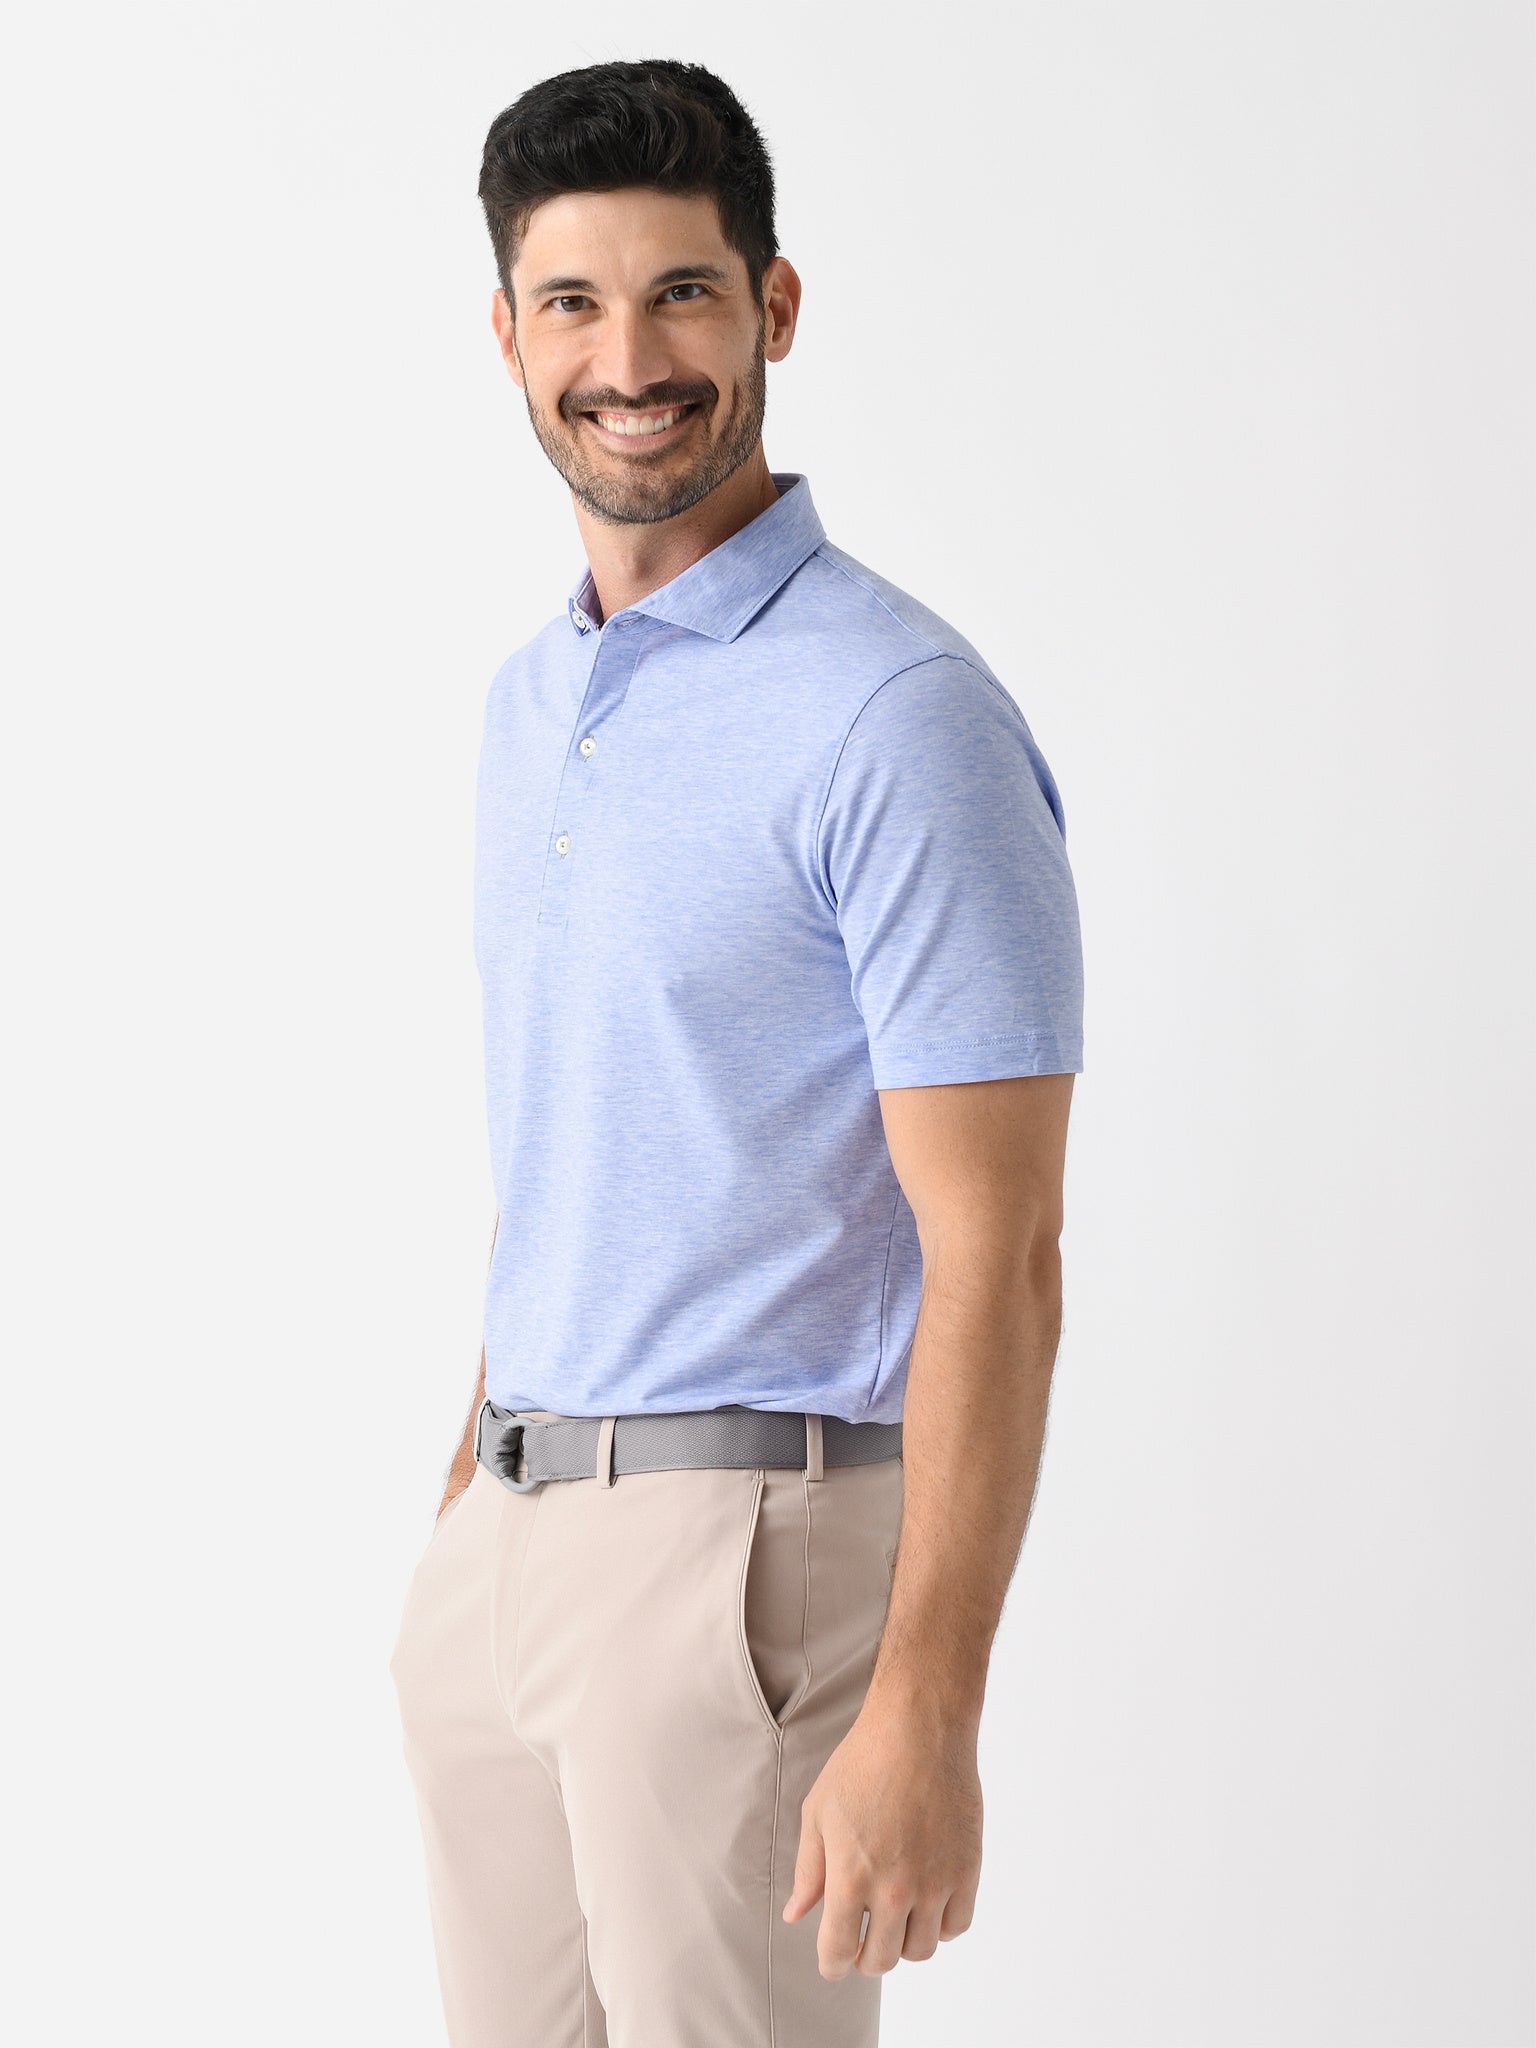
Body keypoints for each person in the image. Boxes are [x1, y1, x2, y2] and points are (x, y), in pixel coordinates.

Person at [388, 56, 1084, 2048]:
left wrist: (928, 1705)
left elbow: (1004, 1248)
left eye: (682, 293)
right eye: (575, 303)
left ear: (772, 306)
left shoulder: (897, 714)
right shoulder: (532, 703)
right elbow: (583, 1129)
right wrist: (472, 1489)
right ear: (509, 337)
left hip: (739, 1562)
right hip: (507, 1549)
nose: (630, 361)